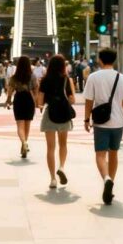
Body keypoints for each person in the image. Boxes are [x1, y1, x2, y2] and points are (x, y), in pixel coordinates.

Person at [82, 48, 123, 205]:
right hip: (117, 123)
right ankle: (110, 185)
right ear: (114, 60)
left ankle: (106, 179)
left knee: (100, 155)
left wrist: (86, 120)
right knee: (114, 154)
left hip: (100, 123)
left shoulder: (93, 77)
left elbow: (88, 101)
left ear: (100, 59)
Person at [37, 55, 76, 189]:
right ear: (63, 66)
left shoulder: (45, 80)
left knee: (50, 148)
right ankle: (62, 167)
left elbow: (40, 100)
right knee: (63, 144)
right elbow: (72, 100)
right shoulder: (66, 80)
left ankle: (53, 179)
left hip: (50, 115)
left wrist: (42, 105)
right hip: (64, 115)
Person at [5, 57, 37, 160]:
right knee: (27, 124)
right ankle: (25, 143)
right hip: (29, 99)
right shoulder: (32, 76)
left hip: (18, 99)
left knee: (20, 125)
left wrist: (8, 100)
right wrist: (37, 102)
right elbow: (36, 89)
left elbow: (10, 90)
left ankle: (23, 143)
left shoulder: (14, 77)